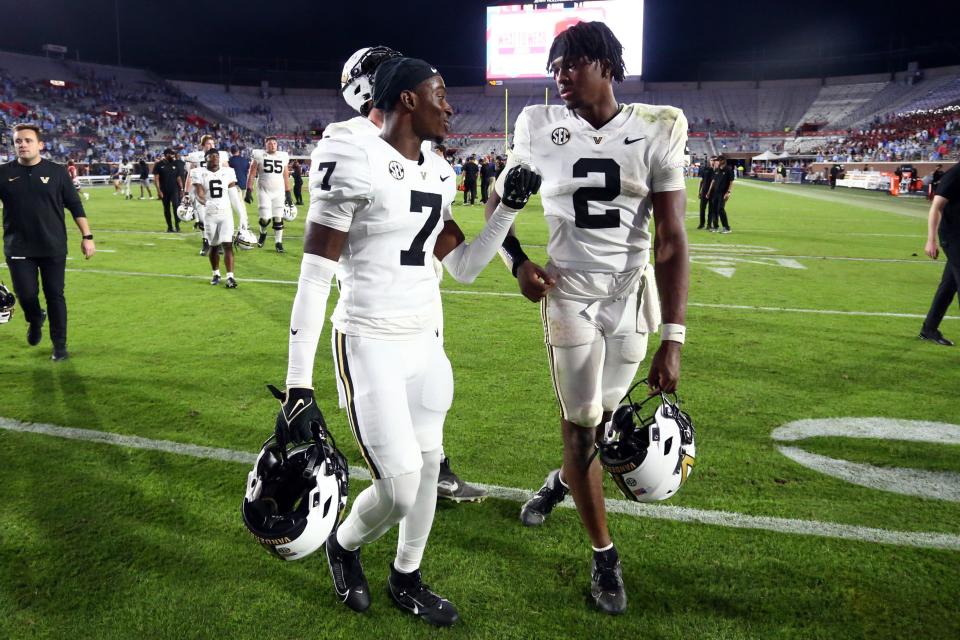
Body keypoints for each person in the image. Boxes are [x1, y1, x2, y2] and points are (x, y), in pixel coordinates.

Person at [277, 56, 539, 627]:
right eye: (439, 93)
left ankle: (407, 576)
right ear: (408, 101)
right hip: (369, 339)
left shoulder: (439, 172)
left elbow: (465, 267)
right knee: (395, 488)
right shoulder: (351, 150)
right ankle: (344, 545)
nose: (450, 105)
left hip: (426, 340)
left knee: (424, 474)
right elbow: (315, 275)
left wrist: (508, 210)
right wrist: (299, 382)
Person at [488, 21, 689, 615]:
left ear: (605, 64)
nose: (559, 75)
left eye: (571, 63)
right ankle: (605, 555)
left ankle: (558, 485)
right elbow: (500, 200)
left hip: (630, 298)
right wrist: (517, 261)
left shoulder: (660, 125)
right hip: (568, 294)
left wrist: (673, 338)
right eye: (554, 67)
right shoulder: (536, 125)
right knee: (580, 424)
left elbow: (672, 239)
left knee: (598, 427)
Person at [320, 44, 488, 503]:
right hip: (375, 306)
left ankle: (435, 468)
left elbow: (450, 235)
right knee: (393, 427)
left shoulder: (425, 156)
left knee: (426, 399)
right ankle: (396, 478)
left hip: (421, 294)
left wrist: (499, 222)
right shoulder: (352, 144)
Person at [0, 123, 96, 361]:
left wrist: (87, 236)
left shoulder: (57, 171)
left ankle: (59, 346)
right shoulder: (3, 173)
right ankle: (34, 318)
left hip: (52, 245)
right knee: (26, 294)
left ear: (40, 144)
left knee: (55, 294)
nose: (22, 144)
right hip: (17, 246)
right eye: (18, 141)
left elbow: (75, 205)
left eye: (28, 140)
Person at [920, 162, 960, 346]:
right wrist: (931, 239)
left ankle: (929, 328)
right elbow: (936, 207)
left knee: (948, 286)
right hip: (953, 238)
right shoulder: (955, 174)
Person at [195, 148, 245, 289]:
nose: (216, 158)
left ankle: (230, 277)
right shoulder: (198, 173)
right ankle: (216, 273)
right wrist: (206, 202)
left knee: (228, 244)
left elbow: (234, 195)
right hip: (210, 214)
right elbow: (199, 193)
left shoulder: (228, 171)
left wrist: (241, 216)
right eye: (212, 156)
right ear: (206, 158)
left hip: (226, 213)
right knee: (214, 246)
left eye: (217, 156)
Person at [185, 135, 232, 256]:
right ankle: (206, 242)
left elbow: (228, 173)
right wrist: (186, 192)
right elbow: (190, 175)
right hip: (201, 191)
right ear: (202, 145)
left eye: (212, 143)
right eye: (208, 144)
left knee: (219, 217)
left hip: (217, 193)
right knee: (202, 219)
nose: (210, 146)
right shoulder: (196, 157)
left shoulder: (220, 156)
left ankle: (218, 242)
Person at [246, 137, 291, 253]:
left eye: (274, 143)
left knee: (278, 218)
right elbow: (251, 174)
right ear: (265, 145)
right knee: (265, 218)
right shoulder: (259, 155)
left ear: (277, 145)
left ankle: (278, 242)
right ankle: (263, 232)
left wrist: (288, 193)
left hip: (279, 192)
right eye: (270, 143)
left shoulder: (283, 156)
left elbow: (286, 176)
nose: (272, 145)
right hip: (263, 190)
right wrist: (249, 190)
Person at [153, 148, 184, 232]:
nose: (173, 156)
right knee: (166, 209)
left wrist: (181, 189)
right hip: (164, 190)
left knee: (176, 207)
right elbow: (156, 179)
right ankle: (170, 227)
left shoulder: (175, 164)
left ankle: (177, 226)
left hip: (174, 190)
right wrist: (159, 191)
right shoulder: (159, 165)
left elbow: (178, 178)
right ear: (166, 154)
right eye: (171, 154)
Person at [706, 154, 733, 233]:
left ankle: (727, 228)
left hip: (723, 193)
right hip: (715, 193)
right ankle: (715, 227)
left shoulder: (728, 170)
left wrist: (728, 192)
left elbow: (731, 182)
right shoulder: (717, 170)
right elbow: (713, 181)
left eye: (718, 160)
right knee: (714, 209)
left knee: (721, 209)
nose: (716, 162)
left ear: (722, 161)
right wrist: (709, 192)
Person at [697, 156, 715, 229]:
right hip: (704, 191)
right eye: (712, 160)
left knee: (711, 209)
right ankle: (701, 224)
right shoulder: (705, 169)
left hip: (713, 192)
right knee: (702, 208)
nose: (713, 161)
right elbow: (701, 181)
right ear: (709, 161)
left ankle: (709, 224)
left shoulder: (717, 171)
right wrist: (699, 191)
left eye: (714, 160)